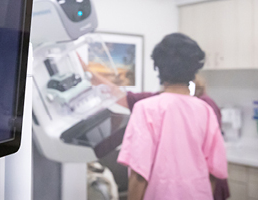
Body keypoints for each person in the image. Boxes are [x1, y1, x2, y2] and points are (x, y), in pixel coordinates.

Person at [79, 33, 228, 200]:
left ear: (158, 68)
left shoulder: (146, 108)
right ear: (195, 69)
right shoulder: (205, 110)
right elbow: (214, 172)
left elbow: (139, 174)